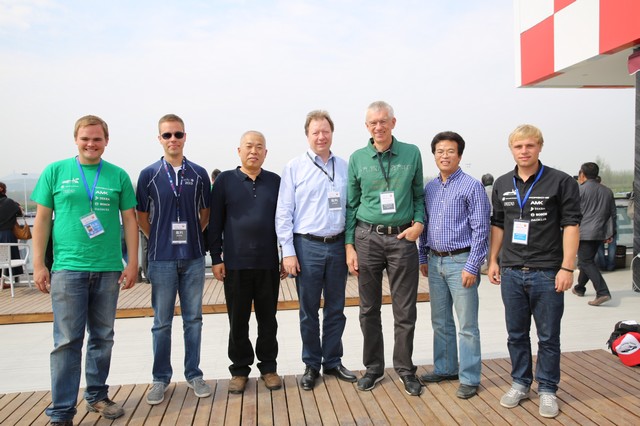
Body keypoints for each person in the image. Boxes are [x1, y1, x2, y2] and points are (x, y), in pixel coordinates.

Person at [31, 115, 139, 425]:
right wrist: (38, 264)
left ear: (106, 141)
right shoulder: (55, 172)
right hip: (68, 269)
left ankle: (97, 396)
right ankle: (62, 410)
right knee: (67, 341)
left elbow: (129, 220)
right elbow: (42, 220)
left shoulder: (118, 175)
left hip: (108, 268)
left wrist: (132, 262)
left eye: (97, 139)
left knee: (102, 337)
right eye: (85, 139)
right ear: (76, 140)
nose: (91, 144)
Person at [487, 124, 580, 419]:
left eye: (529, 145)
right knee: (516, 334)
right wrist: (493, 260)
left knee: (549, 336)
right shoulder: (502, 183)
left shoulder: (561, 181)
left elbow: (571, 225)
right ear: (511, 149)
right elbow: (498, 225)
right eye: (518, 146)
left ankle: (548, 389)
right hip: (511, 271)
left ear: (539, 146)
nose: (524, 151)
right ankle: (520, 382)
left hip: (548, 271)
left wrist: (567, 267)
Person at [346, 101, 425, 396]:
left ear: (393, 122)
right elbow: (351, 205)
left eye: (383, 121)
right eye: (372, 123)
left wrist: (419, 223)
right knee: (368, 309)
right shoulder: (357, 158)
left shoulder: (411, 153)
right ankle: (374, 368)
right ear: (366, 127)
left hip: (402, 238)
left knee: (405, 309)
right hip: (367, 237)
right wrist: (349, 245)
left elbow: (419, 195)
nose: (378, 127)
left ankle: (405, 369)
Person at [276, 110, 356, 391]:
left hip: (337, 245)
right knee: (308, 310)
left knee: (336, 308)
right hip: (306, 245)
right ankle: (311, 364)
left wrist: (351, 246)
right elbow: (284, 212)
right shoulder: (294, 167)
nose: (321, 136)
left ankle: (332, 361)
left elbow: (352, 209)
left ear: (332, 133)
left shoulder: (345, 167)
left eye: (325, 131)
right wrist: (287, 252)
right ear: (307, 135)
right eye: (315, 132)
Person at [136, 114, 212, 405]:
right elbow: (141, 216)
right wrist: (158, 237)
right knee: (161, 322)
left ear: (185, 137)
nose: (173, 139)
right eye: (167, 135)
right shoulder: (149, 174)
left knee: (193, 320)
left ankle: (194, 374)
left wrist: (193, 234)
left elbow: (205, 213)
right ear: (159, 139)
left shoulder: (199, 173)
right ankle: (160, 378)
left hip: (193, 257)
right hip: (161, 259)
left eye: (178, 134)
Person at [209, 130, 284, 394]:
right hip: (235, 264)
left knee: (268, 320)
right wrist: (216, 258)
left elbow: (285, 221)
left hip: (267, 263)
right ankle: (240, 370)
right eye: (249, 146)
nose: (254, 151)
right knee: (237, 320)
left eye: (259, 147)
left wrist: (285, 254)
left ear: (266, 152)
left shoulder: (275, 181)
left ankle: (269, 368)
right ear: (239, 151)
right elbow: (215, 222)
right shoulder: (225, 181)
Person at [418, 131, 490, 399]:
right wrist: (422, 257)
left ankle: (470, 377)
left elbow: (481, 229)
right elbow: (424, 225)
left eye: (450, 151)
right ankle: (446, 368)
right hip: (435, 260)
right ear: (434, 155)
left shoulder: (472, 186)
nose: (444, 156)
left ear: (459, 155)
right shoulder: (430, 188)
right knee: (440, 321)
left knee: (467, 325)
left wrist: (473, 265)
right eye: (440, 151)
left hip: (461, 261)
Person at [572, 162, 616, 306]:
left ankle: (602, 292)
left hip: (584, 232)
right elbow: (612, 214)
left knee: (585, 262)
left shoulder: (579, 190)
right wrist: (610, 233)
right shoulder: (607, 191)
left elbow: (573, 213)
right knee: (587, 260)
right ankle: (580, 288)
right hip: (600, 232)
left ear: (582, 174)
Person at [0, 182, 24, 284]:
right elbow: (20, 212)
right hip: (7, 234)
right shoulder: (9, 202)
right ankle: (10, 279)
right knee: (10, 257)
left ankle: (2, 282)